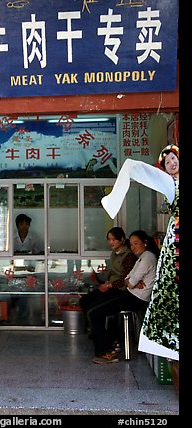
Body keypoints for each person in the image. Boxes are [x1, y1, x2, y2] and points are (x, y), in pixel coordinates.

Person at [101, 145, 179, 361]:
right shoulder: (171, 185)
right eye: (167, 163)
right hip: (176, 239)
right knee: (130, 166)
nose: (172, 163)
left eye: (174, 158)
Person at [90, 230, 160, 364]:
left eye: (136, 243)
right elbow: (128, 278)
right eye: (131, 244)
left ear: (145, 243)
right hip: (130, 294)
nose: (133, 247)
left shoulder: (148, 258)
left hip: (136, 299)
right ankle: (110, 345)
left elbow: (130, 282)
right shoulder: (142, 258)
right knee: (96, 310)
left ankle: (105, 352)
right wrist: (130, 282)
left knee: (95, 314)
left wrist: (131, 282)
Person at [80, 227, 136, 319]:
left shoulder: (128, 256)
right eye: (109, 240)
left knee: (95, 307)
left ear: (122, 239)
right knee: (84, 301)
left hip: (119, 289)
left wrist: (109, 285)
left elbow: (126, 279)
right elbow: (112, 271)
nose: (111, 243)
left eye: (114, 240)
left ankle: (100, 331)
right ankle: (91, 328)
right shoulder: (113, 253)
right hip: (110, 286)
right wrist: (106, 282)